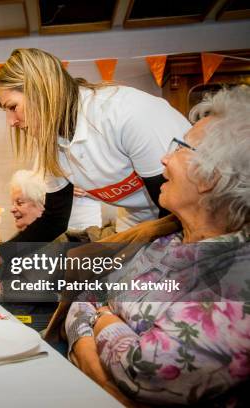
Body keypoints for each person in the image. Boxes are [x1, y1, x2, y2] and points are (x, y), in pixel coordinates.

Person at [60, 86, 250, 406]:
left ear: (210, 177)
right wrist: (104, 365)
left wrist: (103, 320)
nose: (164, 157)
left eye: (179, 147)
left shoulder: (234, 286)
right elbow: (84, 300)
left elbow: (143, 375)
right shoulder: (164, 243)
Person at [0, 48, 190, 269]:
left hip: (190, 216)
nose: (11, 122)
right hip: (136, 223)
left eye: (13, 107)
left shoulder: (125, 114)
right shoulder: (52, 146)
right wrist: (0, 254)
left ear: (40, 89)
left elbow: (175, 207)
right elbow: (54, 219)